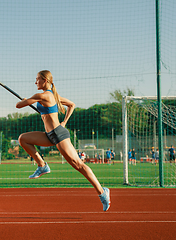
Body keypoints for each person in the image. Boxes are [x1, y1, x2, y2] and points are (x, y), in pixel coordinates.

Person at [16, 70, 110, 211]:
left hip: (59, 134)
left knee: (78, 164)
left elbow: (18, 105)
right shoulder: (52, 96)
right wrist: (63, 121)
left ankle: (103, 193)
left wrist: (27, 100)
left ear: (45, 81)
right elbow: (71, 104)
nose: (35, 82)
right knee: (23, 139)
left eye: (37, 79)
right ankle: (42, 166)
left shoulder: (41, 95)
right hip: (49, 135)